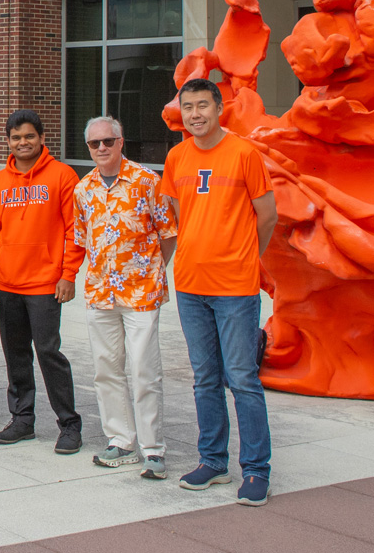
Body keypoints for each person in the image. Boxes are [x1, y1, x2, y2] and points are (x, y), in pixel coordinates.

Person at [162, 78, 277, 507]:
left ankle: (255, 470)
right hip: (190, 286)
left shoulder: (244, 153)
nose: (195, 114)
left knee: (243, 379)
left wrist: (248, 256)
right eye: (187, 107)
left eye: (202, 106)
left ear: (219, 108)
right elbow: (176, 217)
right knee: (204, 379)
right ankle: (212, 461)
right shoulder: (176, 157)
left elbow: (267, 215)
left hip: (235, 287)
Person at [73, 116, 177, 480]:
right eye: (93, 144)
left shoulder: (148, 181)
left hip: (142, 293)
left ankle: (153, 449)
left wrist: (150, 271)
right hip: (101, 293)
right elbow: (83, 240)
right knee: (106, 369)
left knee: (144, 370)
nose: (100, 148)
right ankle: (121, 441)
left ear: (121, 142)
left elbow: (167, 233)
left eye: (107, 141)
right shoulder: (82, 188)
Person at [0, 109, 85, 454]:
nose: (22, 142)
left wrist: (68, 275)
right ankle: (22, 420)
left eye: (29, 136)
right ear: (7, 141)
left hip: (45, 285)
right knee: (16, 356)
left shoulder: (63, 176)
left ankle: (69, 425)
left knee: (49, 354)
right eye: (16, 137)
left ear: (41, 138)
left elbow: (75, 232)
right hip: (7, 285)